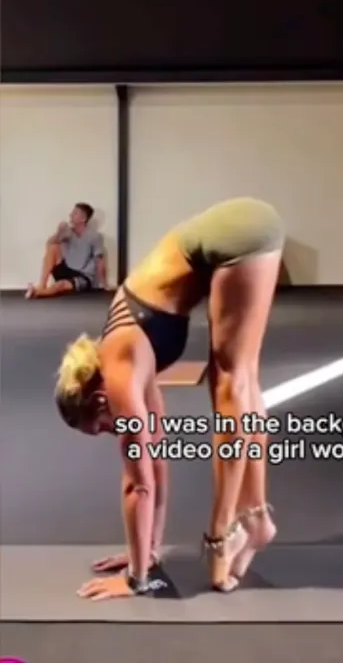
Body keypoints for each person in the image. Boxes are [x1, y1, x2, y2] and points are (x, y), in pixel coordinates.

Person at [54, 197, 284, 601]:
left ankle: (219, 536)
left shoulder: (119, 371)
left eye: (102, 428)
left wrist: (136, 580)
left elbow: (136, 485)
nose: (113, 432)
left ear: (97, 400)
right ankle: (258, 515)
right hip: (241, 230)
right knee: (242, 380)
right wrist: (147, 551)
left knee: (230, 382)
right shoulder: (129, 363)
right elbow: (155, 466)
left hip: (234, 236)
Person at [26, 202, 108, 299]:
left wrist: (103, 283)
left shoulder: (95, 236)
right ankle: (42, 285)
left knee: (61, 284)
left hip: (82, 275)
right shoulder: (67, 232)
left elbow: (99, 260)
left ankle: (39, 292)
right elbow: (49, 244)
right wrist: (59, 232)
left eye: (74, 213)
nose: (70, 215)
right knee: (53, 247)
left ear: (83, 219)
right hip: (67, 269)